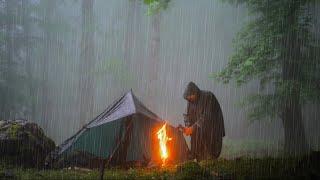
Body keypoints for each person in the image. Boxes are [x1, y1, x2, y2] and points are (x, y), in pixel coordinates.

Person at [178, 82, 225, 160]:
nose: (189, 99)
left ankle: (210, 166)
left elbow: (207, 116)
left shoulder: (208, 97)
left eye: (190, 97)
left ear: (195, 92)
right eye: (188, 98)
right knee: (199, 155)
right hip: (199, 135)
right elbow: (187, 115)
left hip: (212, 132)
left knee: (210, 156)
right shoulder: (190, 102)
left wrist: (193, 128)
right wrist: (187, 127)